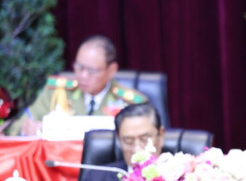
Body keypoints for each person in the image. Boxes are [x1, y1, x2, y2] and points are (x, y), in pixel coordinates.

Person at [4, 35, 148, 136]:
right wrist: (27, 129)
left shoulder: (132, 103)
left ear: (112, 70)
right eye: (79, 67)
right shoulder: (56, 92)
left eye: (92, 71)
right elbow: (14, 129)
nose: (83, 76)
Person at [80, 102, 165, 181]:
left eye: (144, 139)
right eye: (128, 141)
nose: (137, 149)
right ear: (119, 139)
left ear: (161, 135)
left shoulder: (178, 178)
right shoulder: (96, 179)